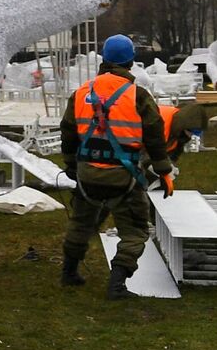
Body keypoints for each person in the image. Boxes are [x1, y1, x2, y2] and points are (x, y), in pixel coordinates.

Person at [60, 34, 176, 298]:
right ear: (131, 61)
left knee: (81, 223)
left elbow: (67, 131)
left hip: (87, 175)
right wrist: (164, 171)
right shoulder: (138, 95)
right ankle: (117, 285)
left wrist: (71, 166)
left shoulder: (81, 92)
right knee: (135, 231)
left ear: (104, 59)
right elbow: (155, 136)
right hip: (123, 177)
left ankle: (69, 272)